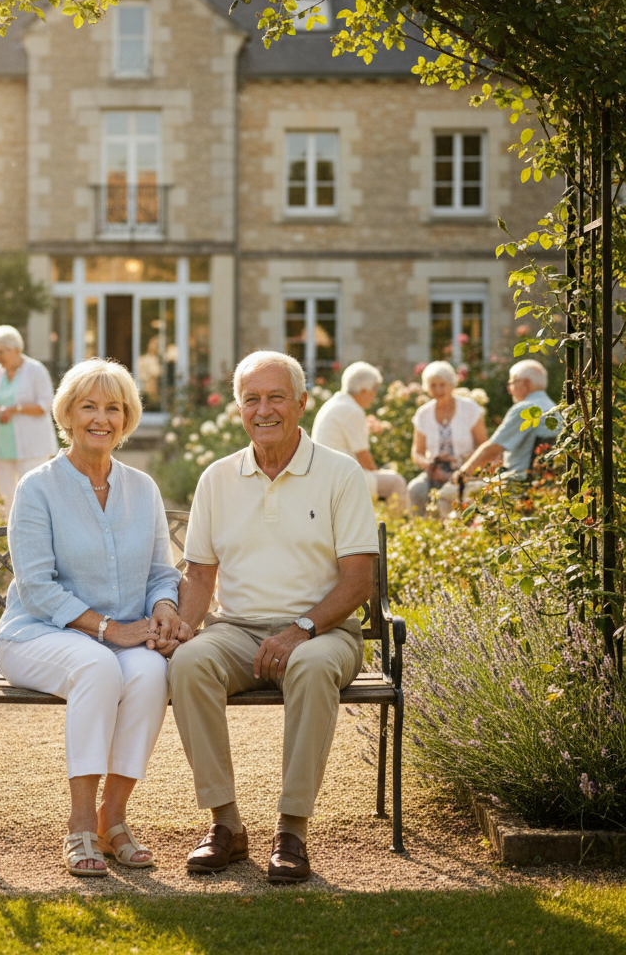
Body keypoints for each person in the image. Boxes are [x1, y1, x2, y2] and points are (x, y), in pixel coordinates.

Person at [166, 351, 378, 883]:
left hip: (322, 631)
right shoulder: (218, 478)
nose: (264, 409)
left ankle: (292, 830)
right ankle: (226, 826)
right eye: (252, 398)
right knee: (189, 664)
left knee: (308, 666)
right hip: (237, 631)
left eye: (276, 396)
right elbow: (198, 575)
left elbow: (358, 579)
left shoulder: (340, 473)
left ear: (302, 403)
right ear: (239, 408)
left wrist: (301, 628)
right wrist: (184, 629)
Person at [0, 358, 182, 877]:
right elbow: (36, 585)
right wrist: (109, 629)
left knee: (150, 673)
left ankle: (113, 819)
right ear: (68, 415)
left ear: (126, 418)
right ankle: (79, 823)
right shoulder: (38, 487)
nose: (102, 418)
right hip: (37, 634)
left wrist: (164, 607)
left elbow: (162, 572)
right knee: (97, 667)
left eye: (113, 408)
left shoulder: (142, 488)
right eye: (89, 406)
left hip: (121, 640)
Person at [438, 358, 561, 517]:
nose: (510, 389)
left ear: (526, 384)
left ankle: (455, 538)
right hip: (546, 487)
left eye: (512, 383)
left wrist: (461, 474)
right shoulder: (554, 409)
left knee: (446, 494)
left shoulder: (525, 409)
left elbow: (491, 449)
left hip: (516, 486)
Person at [310, 361, 409, 513]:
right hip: (340, 478)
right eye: (374, 390)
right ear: (363, 390)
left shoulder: (335, 403)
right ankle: (397, 529)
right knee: (396, 482)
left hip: (326, 475)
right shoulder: (351, 410)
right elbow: (363, 457)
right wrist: (379, 474)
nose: (374, 396)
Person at [0, 325, 58, 514]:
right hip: (2, 445)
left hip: (31, 446)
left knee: (31, 496)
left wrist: (15, 409)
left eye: (1, 352)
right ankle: (6, 539)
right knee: (6, 498)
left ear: (15, 349)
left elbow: (46, 404)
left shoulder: (35, 370)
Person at [407, 360, 488, 515]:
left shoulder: (470, 409)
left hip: (466, 469)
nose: (438, 389)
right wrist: (431, 467)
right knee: (415, 488)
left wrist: (467, 463)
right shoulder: (423, 414)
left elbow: (483, 445)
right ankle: (422, 532)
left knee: (474, 493)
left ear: (452, 385)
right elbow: (417, 453)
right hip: (435, 471)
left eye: (442, 385)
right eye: (433, 385)